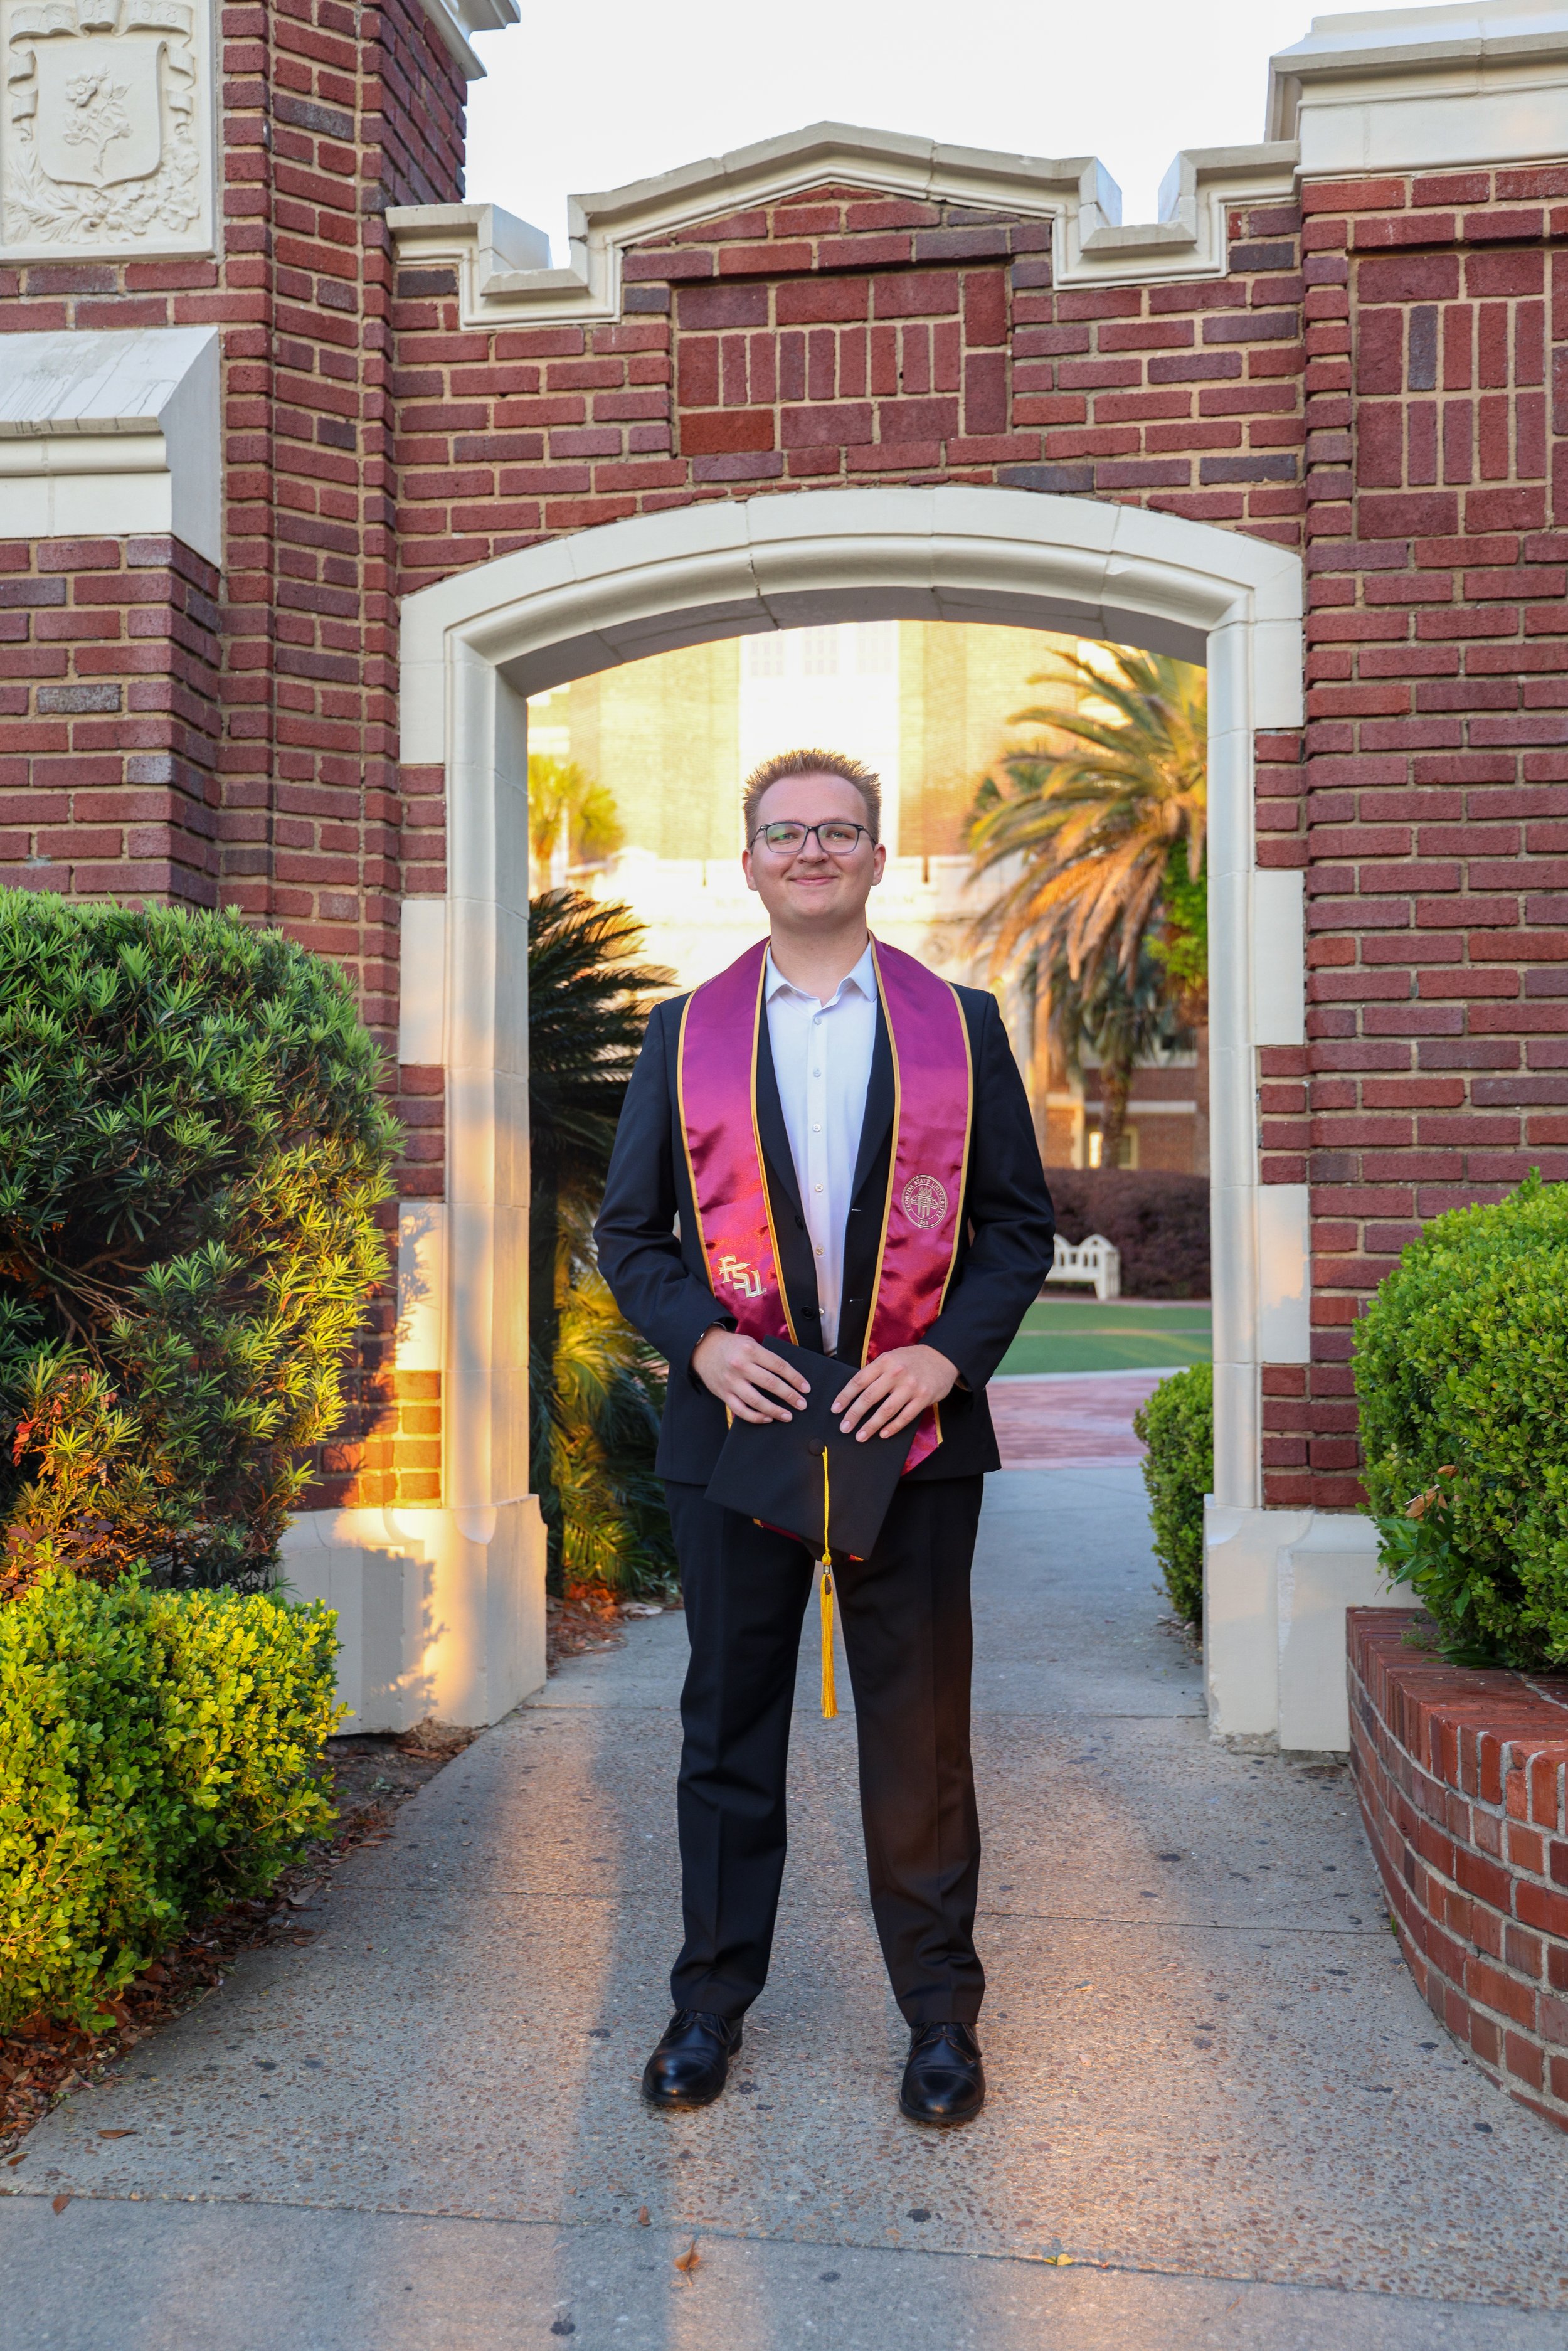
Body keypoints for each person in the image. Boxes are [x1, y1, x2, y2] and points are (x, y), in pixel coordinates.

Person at [595, 746, 1055, 2127]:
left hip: (906, 1436)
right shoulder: (686, 1033)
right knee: (727, 1723)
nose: (809, 850)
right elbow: (629, 1234)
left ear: (875, 859)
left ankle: (937, 2019)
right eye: (783, 831)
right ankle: (706, 2003)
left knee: (918, 1735)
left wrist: (939, 1356)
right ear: (747, 862)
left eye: (837, 830)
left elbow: (1013, 1225)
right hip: (738, 1430)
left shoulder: (957, 1026)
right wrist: (702, 1338)